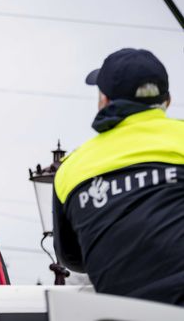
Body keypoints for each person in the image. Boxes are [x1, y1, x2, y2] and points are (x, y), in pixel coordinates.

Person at [52, 48, 184, 305]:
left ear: (104, 99)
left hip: (124, 312)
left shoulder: (71, 168)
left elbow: (71, 258)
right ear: (166, 100)